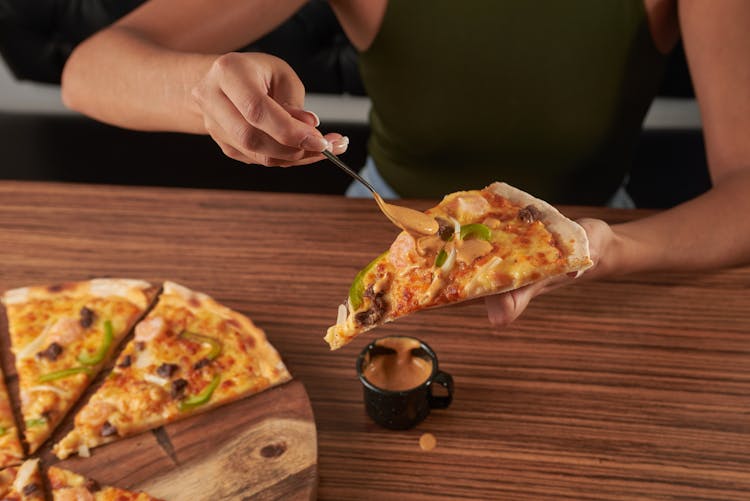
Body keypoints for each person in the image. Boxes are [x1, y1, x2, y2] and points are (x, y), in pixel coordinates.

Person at [60, 0, 750, 328]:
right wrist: (208, 92)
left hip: (601, 271)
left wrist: (607, 248)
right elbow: (91, 70)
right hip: (376, 243)